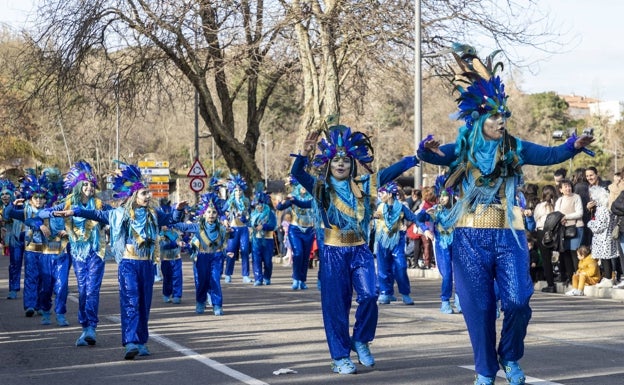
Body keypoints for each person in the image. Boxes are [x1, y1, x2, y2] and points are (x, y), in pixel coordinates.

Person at [417, 44, 594, 385]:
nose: (501, 120)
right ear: (481, 118)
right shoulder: (463, 150)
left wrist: (574, 145)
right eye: (495, 115)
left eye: (503, 114)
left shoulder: (515, 147)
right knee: (479, 309)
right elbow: (435, 157)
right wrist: (426, 150)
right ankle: (485, 369)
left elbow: (551, 153)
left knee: (517, 300)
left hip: (508, 235)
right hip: (469, 238)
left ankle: (510, 355)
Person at [291, 122, 419, 374]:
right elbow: (298, 174)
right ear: (328, 164)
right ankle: (339, 356)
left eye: (346, 161)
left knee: (370, 295)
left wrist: (415, 158)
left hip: (359, 249)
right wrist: (305, 153)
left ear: (352, 165)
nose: (341, 164)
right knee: (336, 305)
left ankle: (360, 338)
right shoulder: (320, 188)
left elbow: (389, 172)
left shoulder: (363, 185)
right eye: (336, 160)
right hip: (333, 250)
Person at [53, 162, 187, 360]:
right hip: (128, 264)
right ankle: (130, 342)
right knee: (131, 301)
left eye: (148, 192)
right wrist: (75, 212)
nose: (148, 196)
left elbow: (169, 220)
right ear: (134, 195)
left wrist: (178, 210)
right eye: (144, 193)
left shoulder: (153, 214)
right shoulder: (120, 214)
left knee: (144, 304)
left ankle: (142, 341)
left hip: (147, 264)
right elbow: (98, 214)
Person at [38, 161, 112, 339]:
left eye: (91, 184)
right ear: (78, 186)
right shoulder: (68, 203)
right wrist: (54, 214)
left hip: (96, 251)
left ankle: (91, 327)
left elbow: (116, 216)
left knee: (92, 289)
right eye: (85, 184)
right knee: (82, 289)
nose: (88, 187)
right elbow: (41, 214)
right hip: (78, 252)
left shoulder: (100, 205)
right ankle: (85, 325)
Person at [4, 169, 66, 322]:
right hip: (32, 250)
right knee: (31, 277)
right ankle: (30, 305)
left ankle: (40, 305)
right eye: (35, 197)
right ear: (30, 198)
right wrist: (13, 204)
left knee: (45, 280)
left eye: (42, 198)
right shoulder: (25, 211)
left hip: (47, 251)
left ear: (46, 199)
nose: (38, 200)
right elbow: (7, 215)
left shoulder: (51, 211)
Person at [174, 192, 230, 316]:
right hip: (202, 256)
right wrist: (178, 210)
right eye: (209, 212)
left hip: (216, 257)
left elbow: (231, 235)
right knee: (202, 280)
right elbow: (177, 224)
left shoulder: (221, 228)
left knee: (215, 279)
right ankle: (200, 302)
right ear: (204, 213)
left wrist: (230, 231)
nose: (211, 215)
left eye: (214, 212)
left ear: (217, 214)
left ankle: (217, 305)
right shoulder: (197, 227)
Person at [414, 178, 461, 314]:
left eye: (444, 196)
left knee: (459, 274)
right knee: (447, 274)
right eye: (439, 196)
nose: (441, 198)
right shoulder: (436, 210)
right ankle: (445, 301)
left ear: (451, 195)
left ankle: (459, 299)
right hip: (442, 245)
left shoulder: (460, 209)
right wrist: (426, 229)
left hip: (458, 244)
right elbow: (418, 218)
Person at [373, 181, 418, 306]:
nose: (380, 195)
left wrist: (424, 226)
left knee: (401, 267)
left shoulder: (401, 207)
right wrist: (371, 216)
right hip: (382, 240)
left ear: (389, 194)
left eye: (382, 193)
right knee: (383, 268)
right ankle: (385, 292)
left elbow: (413, 218)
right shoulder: (378, 206)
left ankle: (405, 293)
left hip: (397, 240)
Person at [276, 176, 315, 290]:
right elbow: (280, 207)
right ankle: (295, 278)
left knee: (306, 256)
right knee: (298, 253)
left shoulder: (313, 197)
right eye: (301, 185)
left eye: (305, 185)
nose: (303, 188)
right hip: (295, 229)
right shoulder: (293, 197)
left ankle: (302, 280)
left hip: (309, 230)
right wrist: (284, 200)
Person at [587, 185, 619, 287]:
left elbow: (600, 225)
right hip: (608, 236)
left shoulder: (601, 209)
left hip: (603, 237)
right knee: (607, 258)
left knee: (605, 258)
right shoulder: (608, 207)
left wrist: (590, 223)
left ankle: (608, 278)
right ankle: (608, 277)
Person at [223, 173, 252, 283]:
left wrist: (245, 219)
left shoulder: (246, 202)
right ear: (232, 192)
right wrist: (225, 220)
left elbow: (250, 216)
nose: (238, 193)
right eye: (236, 191)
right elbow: (221, 212)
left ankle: (245, 275)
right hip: (233, 229)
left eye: (240, 191)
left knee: (245, 251)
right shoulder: (229, 202)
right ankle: (228, 274)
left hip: (243, 229)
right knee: (231, 251)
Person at [555, 179, 585, 284]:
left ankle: (578, 276)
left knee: (575, 252)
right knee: (566, 253)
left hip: (576, 227)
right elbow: (556, 214)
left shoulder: (576, 197)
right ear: (561, 189)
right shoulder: (559, 200)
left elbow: (579, 213)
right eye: (565, 187)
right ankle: (570, 276)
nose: (568, 188)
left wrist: (565, 217)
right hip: (564, 230)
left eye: (569, 186)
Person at [0, 178, 23, 300]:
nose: (4, 196)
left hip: (26, 237)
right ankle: (13, 289)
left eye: (7, 194)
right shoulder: (1, 209)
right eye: (2, 195)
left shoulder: (19, 205)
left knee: (33, 265)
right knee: (15, 263)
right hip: (13, 240)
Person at [533, 185, 559, 292]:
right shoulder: (557, 204)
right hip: (555, 231)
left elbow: (536, 217)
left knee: (546, 259)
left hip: (542, 231)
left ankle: (550, 284)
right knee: (560, 256)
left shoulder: (540, 206)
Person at [249, 189, 277, 286]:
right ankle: (258, 278)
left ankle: (267, 277)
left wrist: (264, 226)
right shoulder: (253, 214)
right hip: (256, 239)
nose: (258, 207)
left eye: (260, 204)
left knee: (268, 260)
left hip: (267, 239)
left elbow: (273, 225)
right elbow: (249, 224)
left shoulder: (270, 213)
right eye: (257, 205)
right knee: (256, 259)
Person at [158, 199, 184, 304]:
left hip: (176, 257)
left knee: (177, 276)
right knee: (167, 277)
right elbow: (163, 244)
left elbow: (182, 238)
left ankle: (177, 295)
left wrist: (183, 242)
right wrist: (175, 242)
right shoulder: (160, 233)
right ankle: (166, 294)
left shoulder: (176, 229)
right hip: (166, 258)